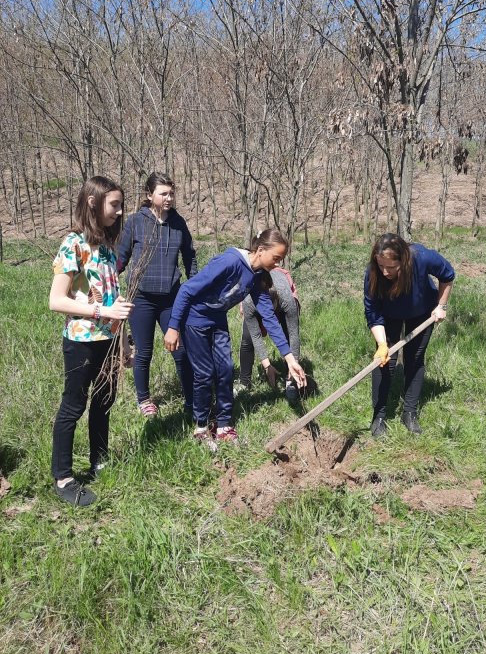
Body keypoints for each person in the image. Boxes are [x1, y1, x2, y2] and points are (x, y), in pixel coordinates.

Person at [164, 228, 307, 450]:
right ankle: (201, 427)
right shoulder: (229, 262)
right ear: (260, 250)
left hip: (218, 321)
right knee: (204, 373)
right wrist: (173, 327)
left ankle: (223, 426)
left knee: (226, 369)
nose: (277, 264)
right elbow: (187, 290)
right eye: (276, 258)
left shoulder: (257, 276)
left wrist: (289, 359)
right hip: (195, 320)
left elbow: (269, 318)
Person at [49, 176, 134, 507]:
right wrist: (100, 309)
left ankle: (100, 459)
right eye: (114, 204)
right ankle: (63, 477)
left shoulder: (108, 251)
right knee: (74, 405)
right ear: (93, 203)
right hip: (82, 341)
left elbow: (115, 300)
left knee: (105, 401)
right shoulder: (73, 245)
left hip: (109, 340)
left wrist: (123, 342)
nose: (119, 210)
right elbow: (57, 301)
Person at [117, 172, 197, 417]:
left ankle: (191, 399)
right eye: (163, 193)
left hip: (171, 299)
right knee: (144, 351)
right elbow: (121, 257)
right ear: (149, 195)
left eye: (171, 193)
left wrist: (194, 286)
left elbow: (190, 257)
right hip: (140, 298)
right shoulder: (135, 222)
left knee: (180, 350)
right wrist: (107, 282)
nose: (169, 198)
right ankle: (144, 400)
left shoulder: (178, 223)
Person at [364, 233, 455, 437]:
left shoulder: (422, 258)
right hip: (388, 316)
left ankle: (410, 413)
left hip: (422, 313)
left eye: (391, 267)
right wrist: (381, 343)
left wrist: (441, 306)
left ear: (403, 261)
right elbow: (372, 313)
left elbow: (447, 275)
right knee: (384, 362)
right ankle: (379, 417)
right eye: (381, 266)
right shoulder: (372, 273)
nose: (385, 272)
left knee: (414, 359)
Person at [235, 265, 301, 402]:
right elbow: (255, 336)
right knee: (247, 339)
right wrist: (267, 365)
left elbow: (294, 335)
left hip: (281, 300)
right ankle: (244, 382)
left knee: (287, 335)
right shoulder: (249, 301)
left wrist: (293, 364)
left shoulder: (287, 300)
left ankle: (291, 379)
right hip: (254, 301)